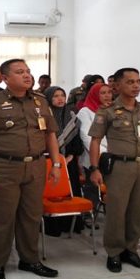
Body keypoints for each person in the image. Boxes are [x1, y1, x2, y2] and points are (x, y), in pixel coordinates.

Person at [0, 59, 61, 279]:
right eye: (20, 72)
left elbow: (50, 134)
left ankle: (29, 260)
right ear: (5, 78)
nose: (27, 75)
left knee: (31, 216)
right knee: (2, 218)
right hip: (4, 167)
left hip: (36, 165)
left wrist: (56, 164)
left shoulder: (40, 101)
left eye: (28, 71)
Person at [88, 67, 140, 273]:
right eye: (130, 82)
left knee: (138, 210)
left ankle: (131, 250)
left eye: (138, 81)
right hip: (120, 167)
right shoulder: (107, 111)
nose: (136, 86)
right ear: (117, 85)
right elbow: (95, 141)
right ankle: (114, 252)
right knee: (117, 211)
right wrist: (94, 168)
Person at [43, 85, 85, 235]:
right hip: (48, 162)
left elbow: (77, 140)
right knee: (51, 192)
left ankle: (71, 224)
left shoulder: (72, 116)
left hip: (69, 162)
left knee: (71, 192)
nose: (60, 99)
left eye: (62, 95)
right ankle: (52, 226)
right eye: (55, 96)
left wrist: (69, 157)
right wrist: (56, 159)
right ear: (49, 99)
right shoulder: (44, 116)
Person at [78, 83, 113, 173]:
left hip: (115, 157)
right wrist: (104, 153)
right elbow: (86, 136)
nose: (107, 95)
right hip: (95, 159)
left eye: (109, 92)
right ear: (95, 94)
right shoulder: (85, 111)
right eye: (103, 93)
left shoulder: (114, 110)